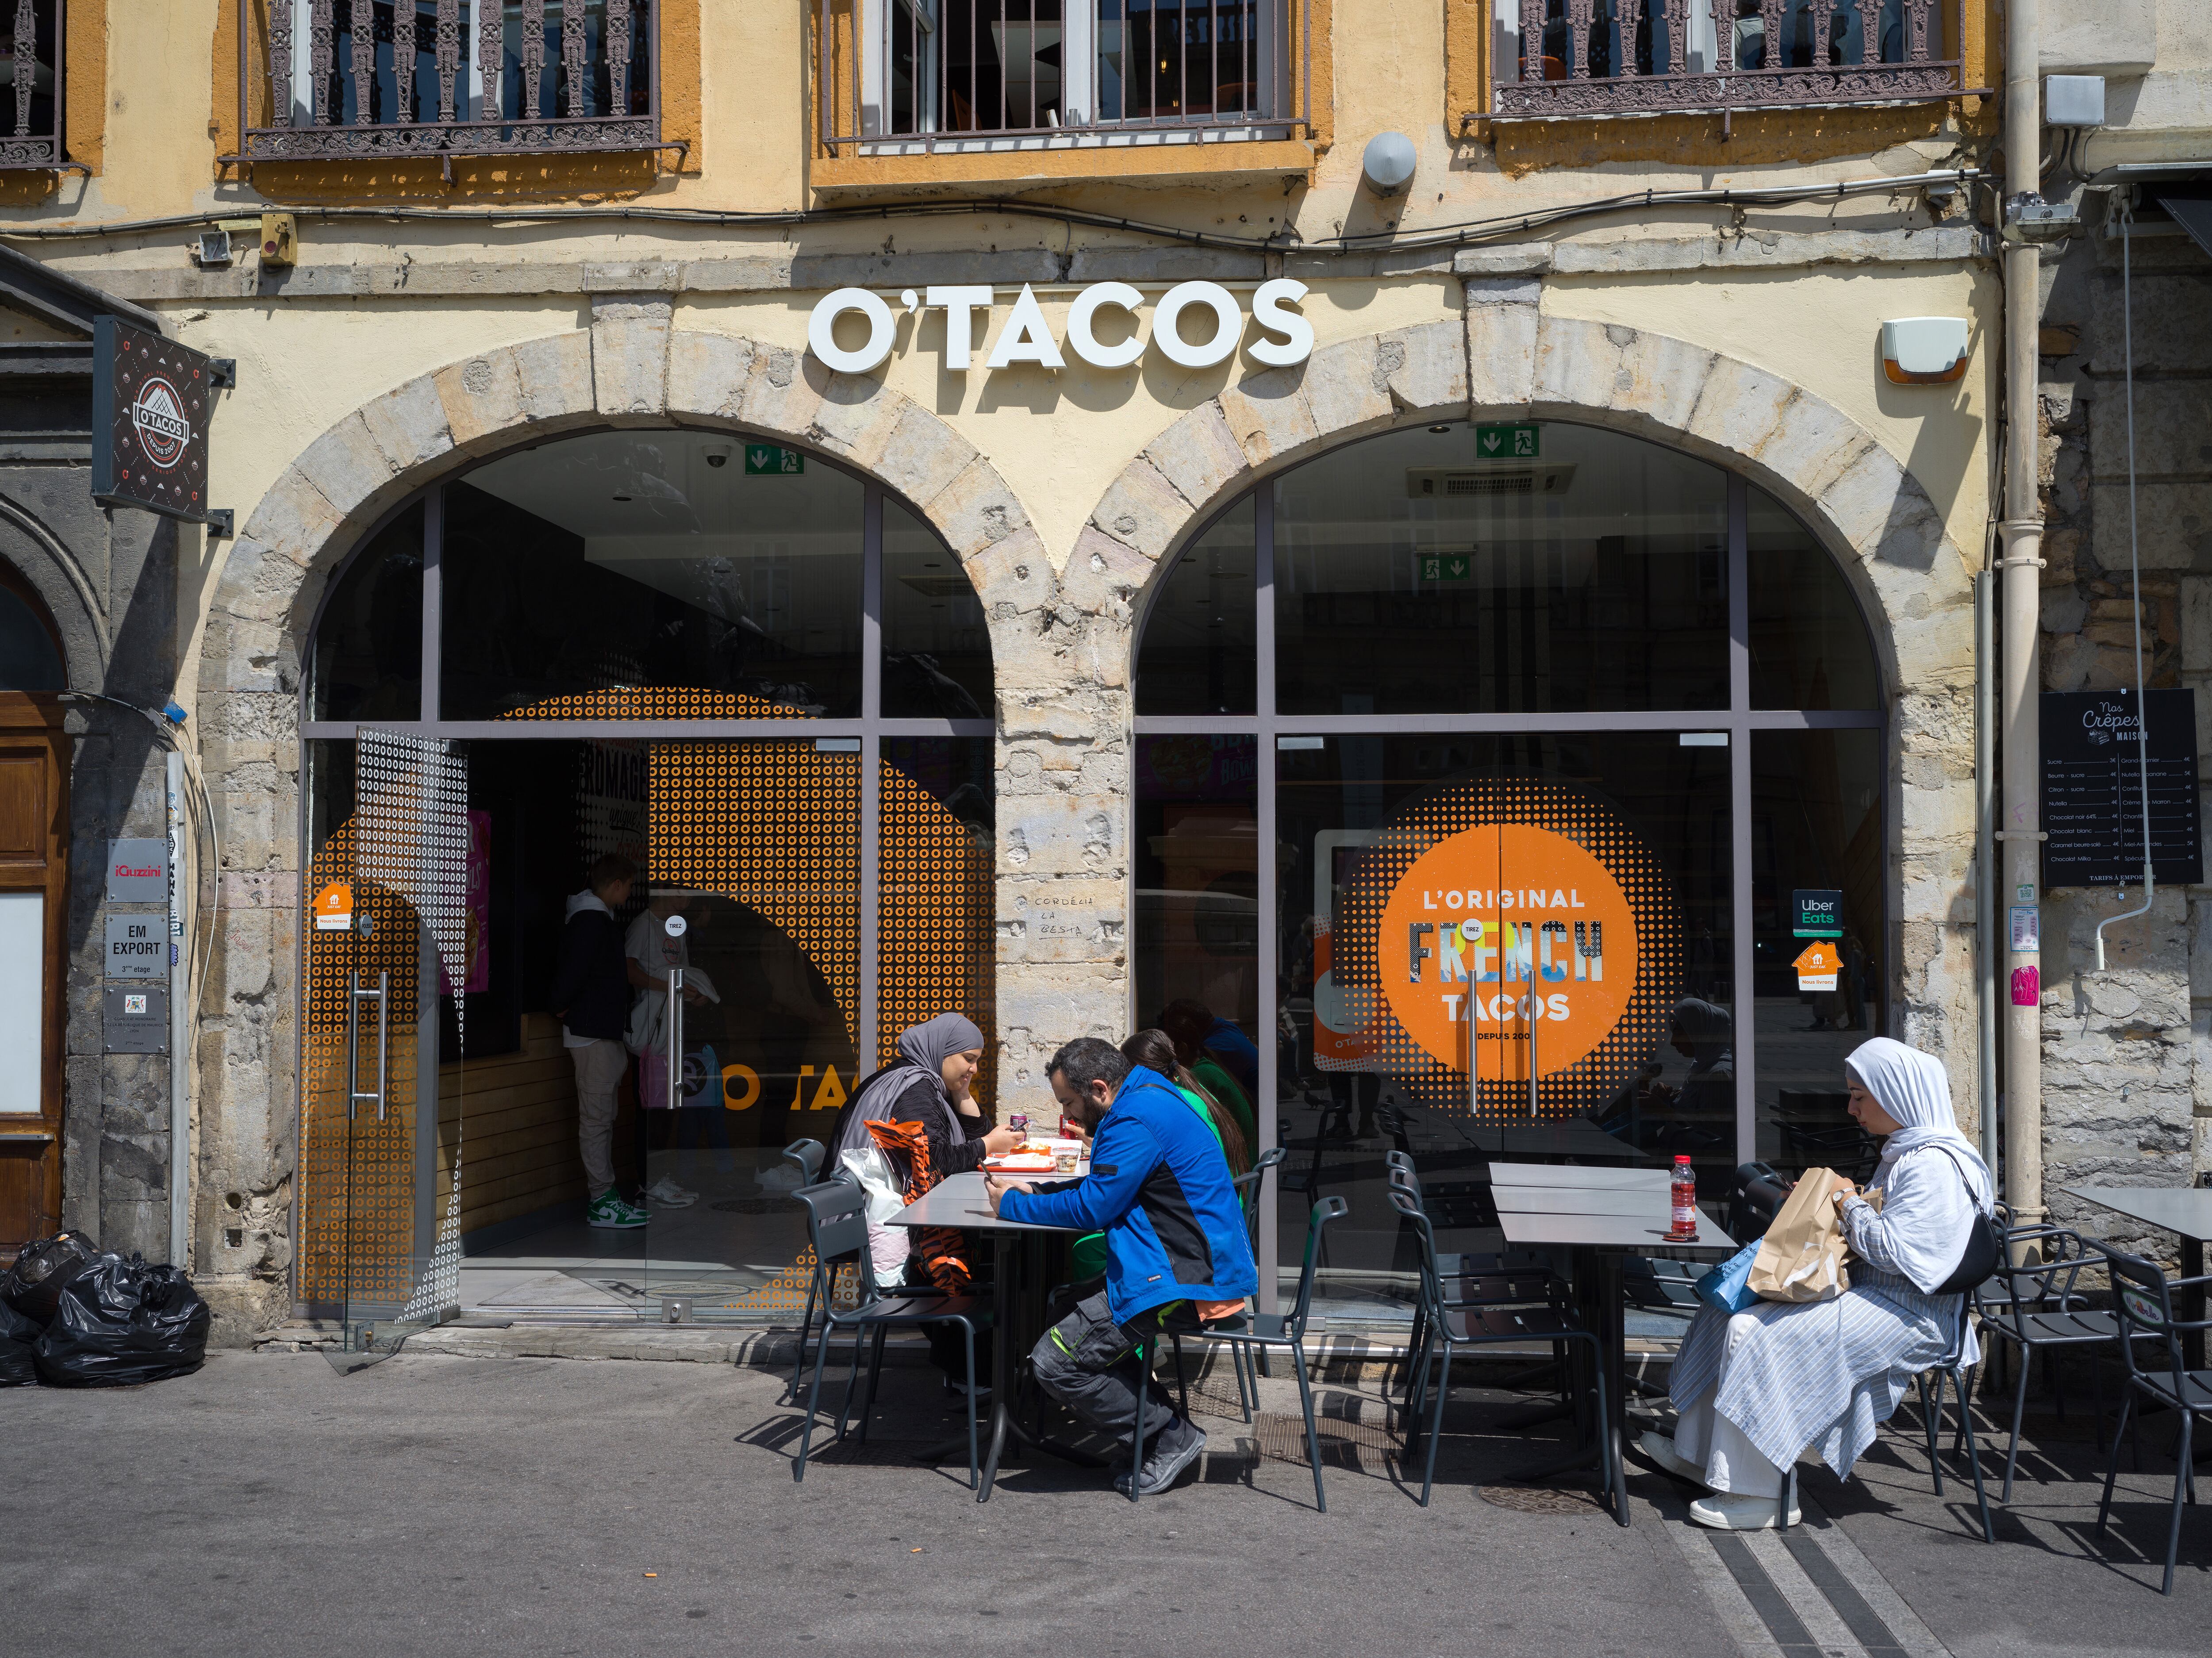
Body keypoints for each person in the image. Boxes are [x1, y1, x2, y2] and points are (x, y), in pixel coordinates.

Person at [1643, 1036, 1995, 1530]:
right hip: (1878, 1293)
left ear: (1897, 1096)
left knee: (1757, 1334)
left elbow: (1899, 1256)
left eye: (1859, 1095)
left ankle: (1764, 1494)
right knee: (1729, 1311)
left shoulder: (1932, 1165)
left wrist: (1845, 1202)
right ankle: (1700, 1456)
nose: (1850, 1107)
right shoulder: (1907, 1152)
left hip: (1913, 1314)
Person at [988, 1038, 1257, 1497]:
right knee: (1070, 1314)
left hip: (1186, 1281)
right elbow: (1106, 1188)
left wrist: (1014, 1205)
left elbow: (1095, 1208)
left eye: (1070, 1103)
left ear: (1098, 1089)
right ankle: (1158, 1434)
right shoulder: (1147, 1095)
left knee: (1055, 1361)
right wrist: (1040, 1193)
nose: (1069, 1116)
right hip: (1183, 1265)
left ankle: (1169, 1436)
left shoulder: (1132, 1118)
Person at [830, 1013, 1017, 1395]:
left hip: (899, 1217)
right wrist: (988, 1147)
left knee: (980, 1256)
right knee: (981, 1264)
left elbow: (966, 1138)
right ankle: (973, 1374)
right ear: (942, 1052)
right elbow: (935, 1160)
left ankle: (975, 1370)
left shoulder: (919, 1080)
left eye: (978, 1060)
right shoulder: (916, 1089)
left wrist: (963, 1094)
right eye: (968, 1058)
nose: (974, 1068)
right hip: (894, 1230)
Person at [550, 854, 648, 1231]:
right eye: (628, 886)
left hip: (599, 1033)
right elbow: (572, 974)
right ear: (617, 884)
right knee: (596, 1119)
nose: (629, 894)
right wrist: (563, 1008)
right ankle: (602, 1201)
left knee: (602, 1118)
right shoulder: (591, 921)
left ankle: (605, 1198)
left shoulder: (593, 919)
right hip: (592, 1035)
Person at [624, 888, 717, 1207]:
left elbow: (685, 973)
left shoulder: (676, 926)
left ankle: (659, 1177)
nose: (687, 904)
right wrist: (670, 986)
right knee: (649, 1106)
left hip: (674, 1023)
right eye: (683, 896)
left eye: (691, 899)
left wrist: (695, 993)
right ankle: (645, 1182)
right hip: (652, 1024)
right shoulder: (642, 925)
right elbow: (630, 971)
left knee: (668, 1107)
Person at [1120, 1028, 1251, 1175]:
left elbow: (1136, 1161)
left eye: (1126, 1072)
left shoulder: (1168, 1104)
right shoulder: (1193, 1089)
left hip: (1213, 1195)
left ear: (1139, 1069)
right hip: (1230, 1191)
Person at [1157, 1000, 1257, 1148]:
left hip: (1237, 1163)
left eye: (1161, 1051)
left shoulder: (1199, 1076)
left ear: (1182, 1050)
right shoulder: (1206, 1063)